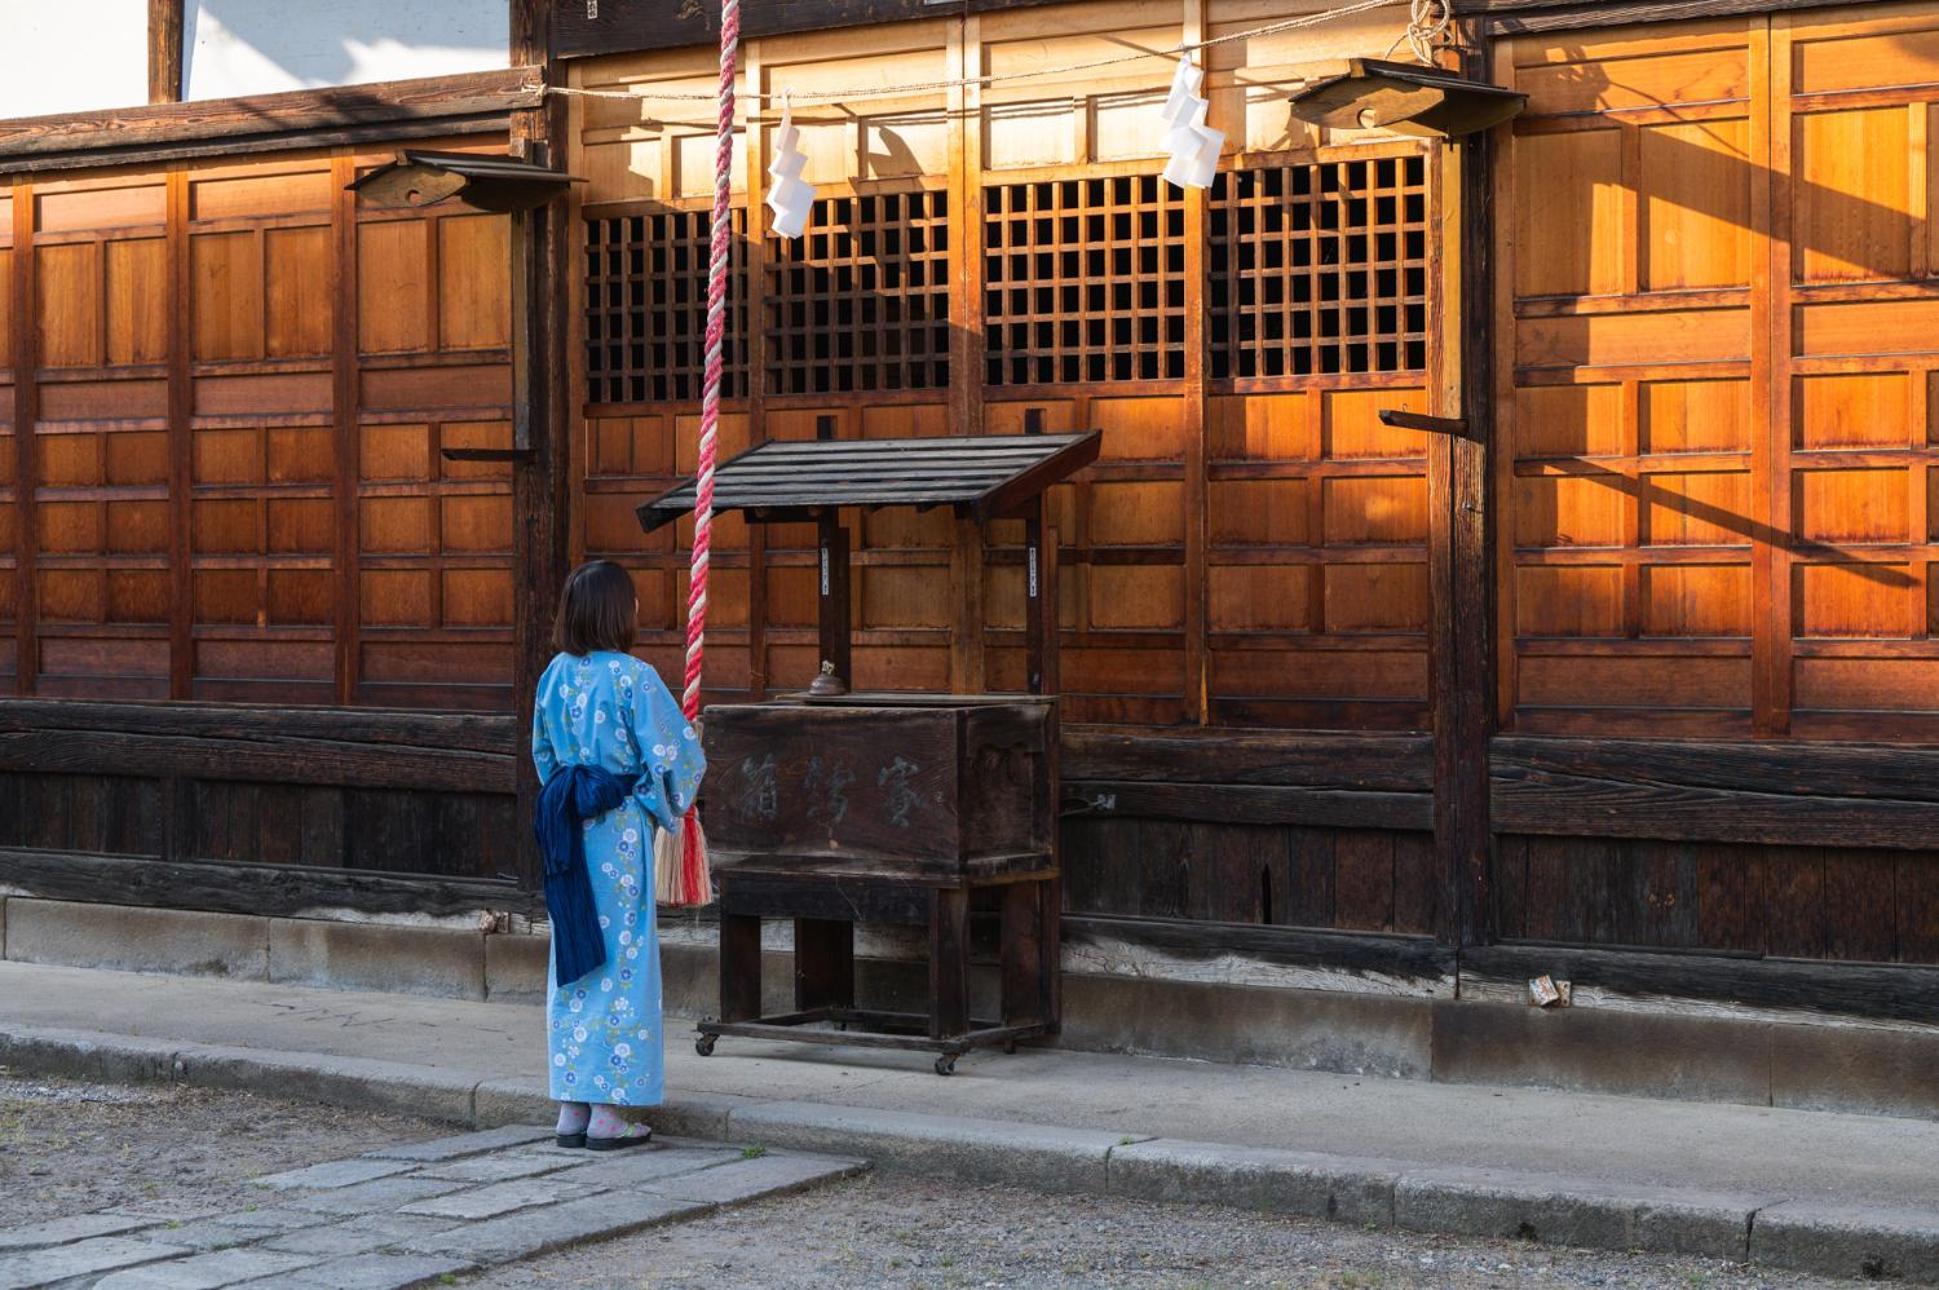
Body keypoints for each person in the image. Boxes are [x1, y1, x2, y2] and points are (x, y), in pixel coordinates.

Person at [531, 560, 705, 1150]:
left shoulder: (553, 675)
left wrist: (573, 793)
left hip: (567, 825)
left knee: (574, 956)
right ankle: (611, 1110)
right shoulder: (634, 677)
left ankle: (572, 1106)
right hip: (619, 833)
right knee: (620, 960)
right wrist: (669, 796)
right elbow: (675, 760)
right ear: (616, 612)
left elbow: (544, 755)